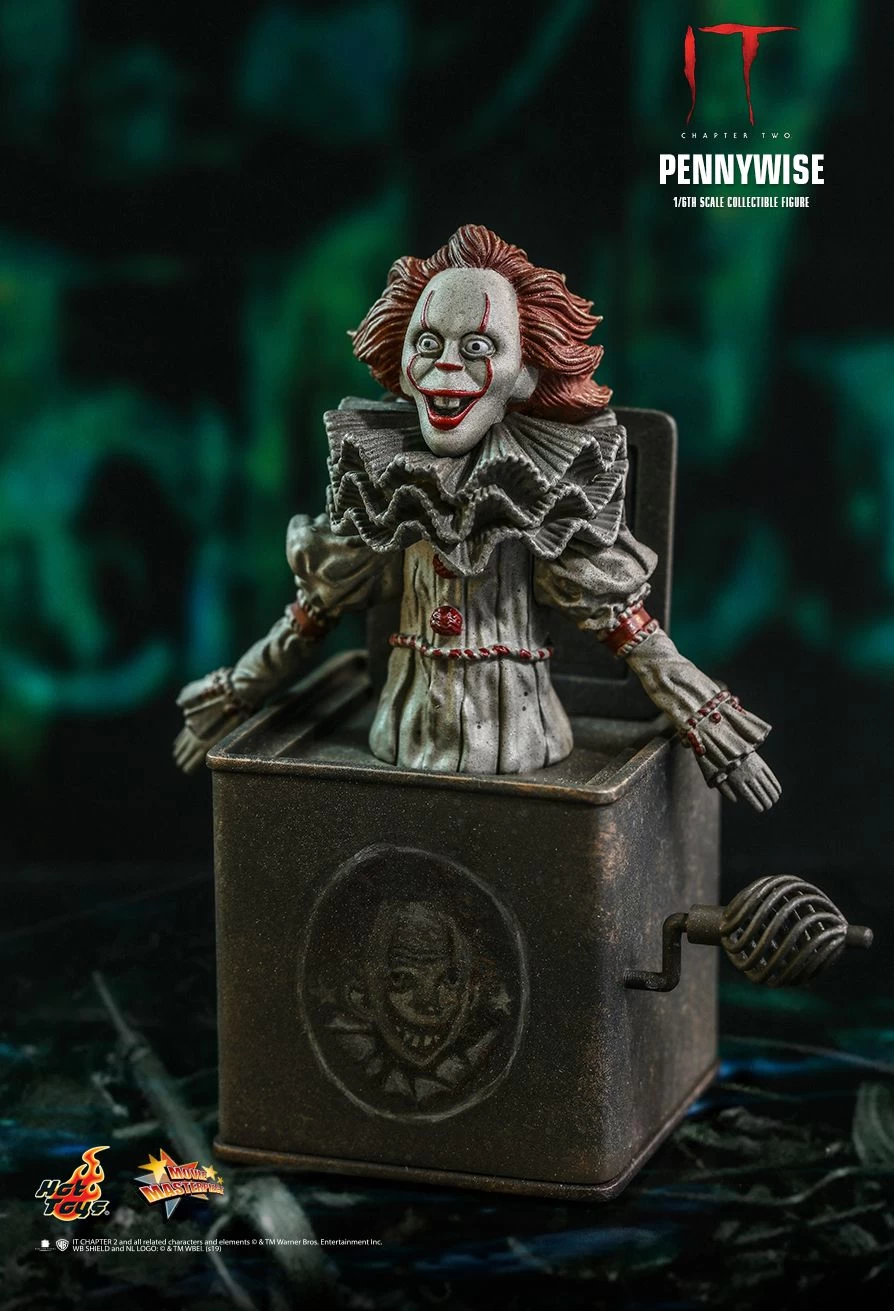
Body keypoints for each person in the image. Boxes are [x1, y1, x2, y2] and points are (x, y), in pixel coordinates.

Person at [174, 225, 780, 810]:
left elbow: (625, 624)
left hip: (524, 741)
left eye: (478, 348)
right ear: (401, 361)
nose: (445, 370)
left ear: (526, 372)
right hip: (399, 738)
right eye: (427, 345)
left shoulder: (537, 484)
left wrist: (706, 717)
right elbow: (315, 611)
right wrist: (234, 696)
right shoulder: (387, 475)